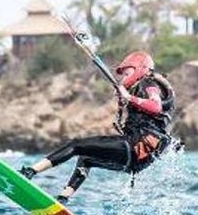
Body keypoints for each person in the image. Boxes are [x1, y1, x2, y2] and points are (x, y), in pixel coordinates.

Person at [19, 50, 176, 201]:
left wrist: (129, 97)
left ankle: (30, 171)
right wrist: (124, 101)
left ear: (140, 68)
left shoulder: (148, 83)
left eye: (126, 73)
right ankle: (63, 198)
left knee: (76, 145)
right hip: (139, 159)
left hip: (136, 146)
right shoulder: (138, 88)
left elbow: (156, 106)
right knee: (86, 159)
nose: (123, 77)